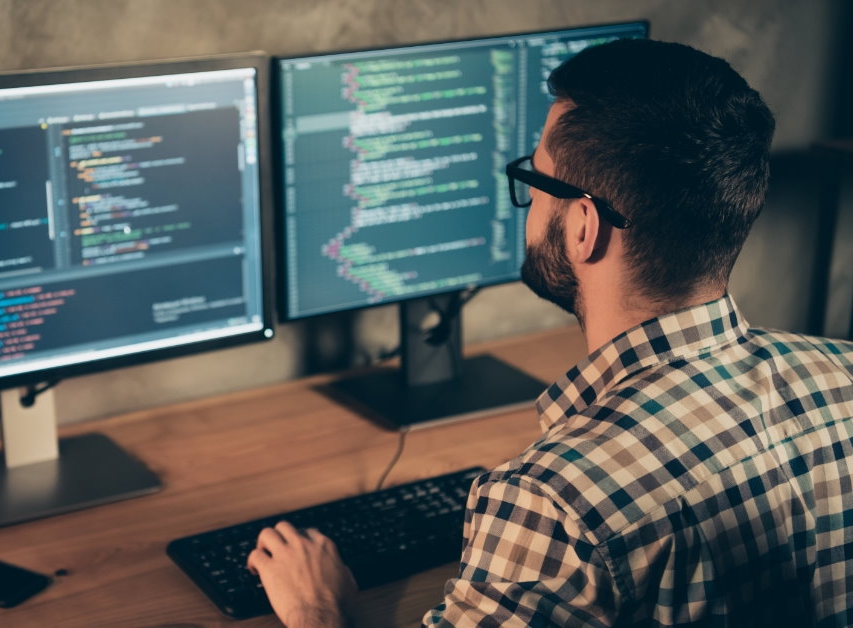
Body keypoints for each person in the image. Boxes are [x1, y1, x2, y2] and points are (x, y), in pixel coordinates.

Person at [246, 38, 853, 627]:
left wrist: (315, 609)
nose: (529, 201)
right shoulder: (842, 374)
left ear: (584, 227)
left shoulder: (552, 504)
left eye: (536, 181)